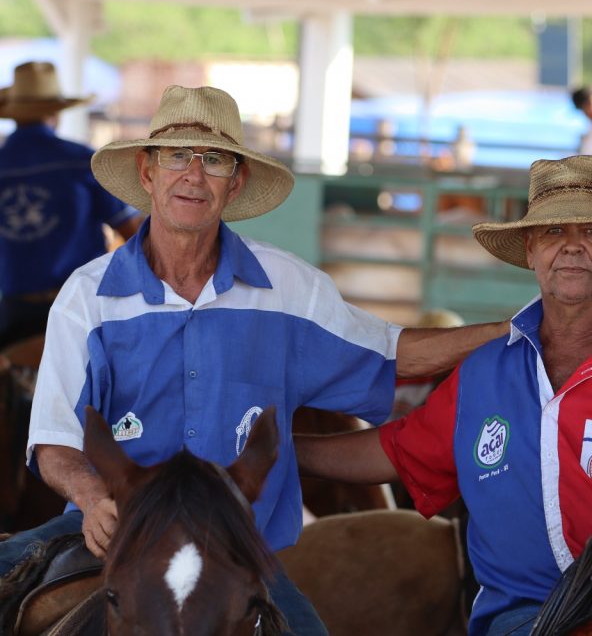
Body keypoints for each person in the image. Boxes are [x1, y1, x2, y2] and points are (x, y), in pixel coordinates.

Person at [1, 85, 508, 634]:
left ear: (235, 181)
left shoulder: (288, 287)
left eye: (213, 160)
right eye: (177, 156)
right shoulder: (87, 296)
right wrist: (93, 497)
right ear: (147, 174)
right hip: (112, 531)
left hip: (238, 548)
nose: (193, 175)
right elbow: (54, 440)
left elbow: (396, 354)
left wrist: (512, 329)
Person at [296, 154, 592, 635]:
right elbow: (394, 449)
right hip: (515, 621)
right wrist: (281, 450)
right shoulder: (485, 370)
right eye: (554, 233)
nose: (572, 248)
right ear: (531, 250)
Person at [0, 61, 142, 349]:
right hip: (82, 310)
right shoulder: (82, 162)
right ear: (55, 112)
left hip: (14, 315)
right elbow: (135, 235)